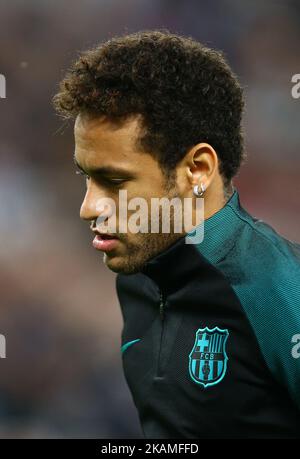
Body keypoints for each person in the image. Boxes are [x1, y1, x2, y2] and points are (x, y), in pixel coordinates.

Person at [53, 29, 300, 438]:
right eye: (86, 177)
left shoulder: (280, 291)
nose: (88, 208)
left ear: (197, 170)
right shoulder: (138, 277)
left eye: (114, 182)